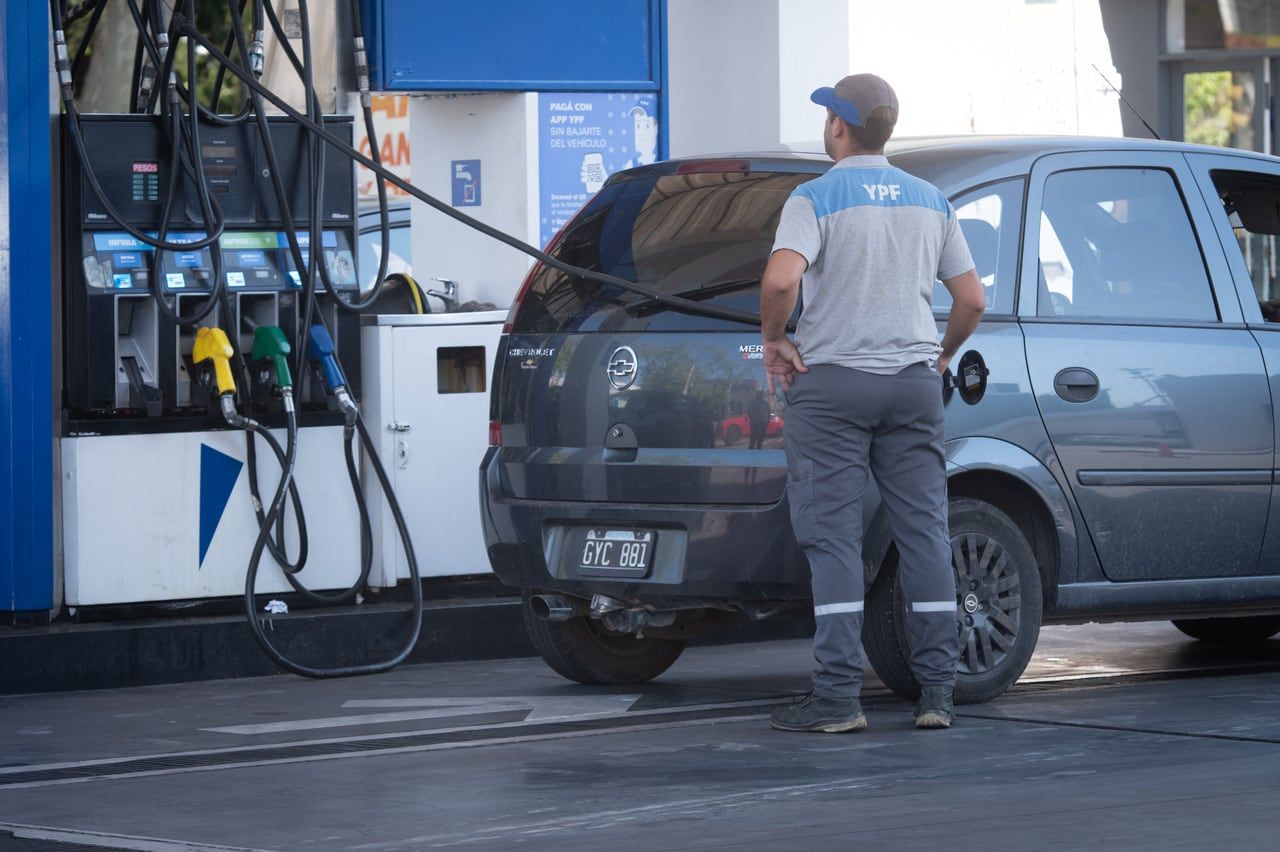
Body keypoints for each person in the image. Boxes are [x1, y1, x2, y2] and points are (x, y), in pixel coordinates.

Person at [759, 74, 985, 733]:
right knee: (924, 533)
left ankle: (836, 699)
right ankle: (938, 693)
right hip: (912, 383)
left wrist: (775, 338)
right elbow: (971, 300)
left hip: (832, 386)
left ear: (839, 126)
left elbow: (780, 280)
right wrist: (940, 355)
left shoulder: (814, 197)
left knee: (833, 538)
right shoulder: (930, 200)